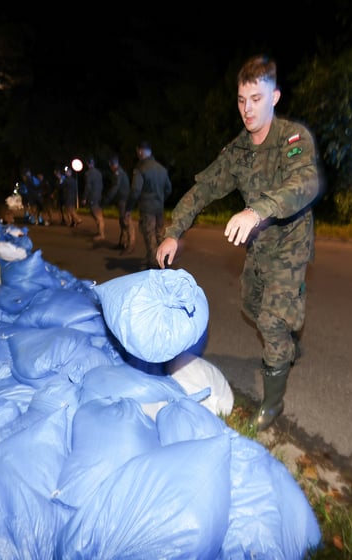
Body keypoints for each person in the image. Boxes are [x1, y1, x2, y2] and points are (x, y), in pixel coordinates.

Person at [155, 54, 321, 431]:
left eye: (256, 99)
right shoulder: (238, 151)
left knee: (272, 320)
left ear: (274, 97)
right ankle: (289, 333)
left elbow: (304, 184)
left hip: (291, 243)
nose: (247, 109)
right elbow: (202, 190)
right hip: (259, 246)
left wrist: (257, 210)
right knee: (251, 304)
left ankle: (272, 404)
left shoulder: (292, 138)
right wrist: (173, 232)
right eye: (242, 100)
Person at [129, 141, 172, 267]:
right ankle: (164, 260)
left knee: (150, 235)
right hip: (159, 207)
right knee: (159, 234)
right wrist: (161, 199)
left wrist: (129, 208)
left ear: (140, 151)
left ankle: (153, 264)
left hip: (147, 209)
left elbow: (135, 190)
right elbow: (168, 189)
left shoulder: (140, 168)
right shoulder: (162, 169)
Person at [103, 154, 134, 251]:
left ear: (111, 164)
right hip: (123, 200)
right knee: (122, 222)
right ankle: (122, 243)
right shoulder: (120, 172)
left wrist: (107, 198)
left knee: (126, 222)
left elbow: (115, 187)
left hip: (124, 200)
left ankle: (130, 245)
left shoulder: (118, 173)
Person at [81, 157, 106, 241]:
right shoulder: (99, 172)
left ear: (87, 164)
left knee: (98, 217)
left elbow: (88, 186)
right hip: (99, 196)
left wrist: (84, 198)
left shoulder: (88, 174)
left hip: (92, 197)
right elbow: (101, 185)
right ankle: (100, 232)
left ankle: (101, 234)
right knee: (98, 216)